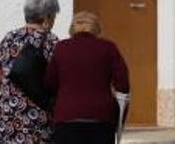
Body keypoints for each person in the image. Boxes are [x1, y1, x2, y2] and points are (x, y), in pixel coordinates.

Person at [43, 11, 130, 144]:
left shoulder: (61, 48)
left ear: (72, 28)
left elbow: (49, 83)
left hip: (67, 118)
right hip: (101, 118)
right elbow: (123, 85)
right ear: (97, 28)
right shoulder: (108, 48)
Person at [0, 0, 61, 143]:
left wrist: (12, 88)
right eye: (54, 16)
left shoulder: (10, 38)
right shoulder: (52, 42)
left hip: (6, 115)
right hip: (37, 119)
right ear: (47, 17)